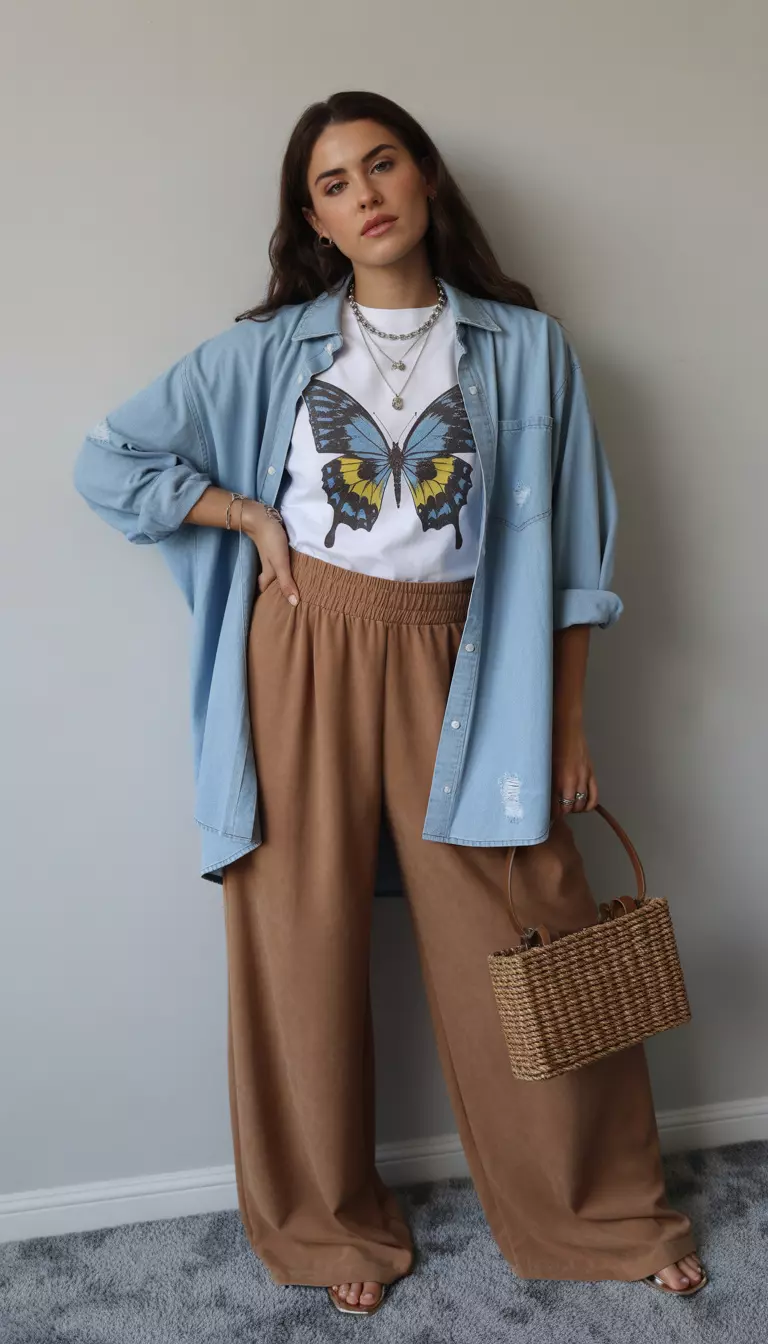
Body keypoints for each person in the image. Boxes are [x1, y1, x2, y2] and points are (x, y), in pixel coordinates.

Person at [73, 89, 707, 1315]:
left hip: (464, 661)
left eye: (381, 165)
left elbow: (577, 564)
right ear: (311, 219)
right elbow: (112, 457)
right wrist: (245, 514)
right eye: (332, 183)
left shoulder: (529, 349)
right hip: (301, 648)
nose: (364, 195)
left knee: (532, 925)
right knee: (296, 941)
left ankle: (598, 1208)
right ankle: (324, 1226)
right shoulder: (269, 349)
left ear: (424, 180)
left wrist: (568, 722)